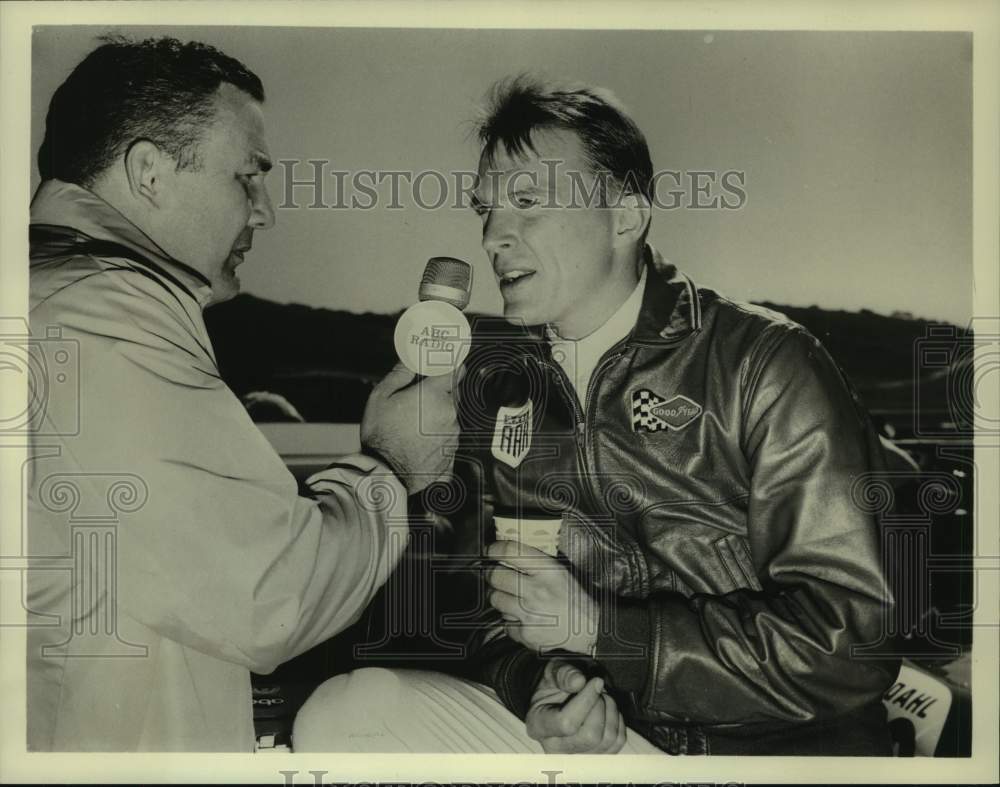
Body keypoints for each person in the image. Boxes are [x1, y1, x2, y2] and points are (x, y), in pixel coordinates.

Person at [294, 76, 898, 756]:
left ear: (626, 215)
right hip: (606, 744)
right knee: (345, 713)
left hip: (766, 754)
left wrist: (607, 636)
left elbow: (857, 638)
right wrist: (539, 681)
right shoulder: (500, 392)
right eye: (485, 210)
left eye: (527, 202)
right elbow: (478, 612)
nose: (495, 235)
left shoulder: (766, 364)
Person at [26, 36, 458, 752]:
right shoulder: (95, 319)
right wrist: (391, 467)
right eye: (246, 179)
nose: (265, 213)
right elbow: (269, 593)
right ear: (149, 174)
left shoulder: (65, 293)